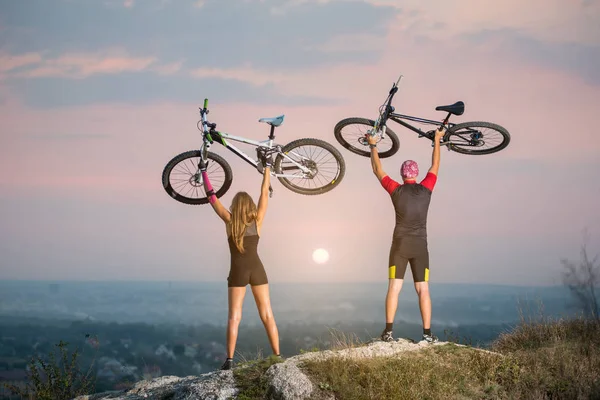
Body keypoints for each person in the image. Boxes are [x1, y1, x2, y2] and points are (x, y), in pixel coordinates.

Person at [200, 149, 280, 370]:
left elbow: (212, 198)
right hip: (258, 269)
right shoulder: (258, 220)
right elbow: (264, 191)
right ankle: (277, 355)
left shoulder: (229, 221)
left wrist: (204, 172)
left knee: (234, 317)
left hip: (237, 271)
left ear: (235, 206)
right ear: (250, 207)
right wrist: (266, 167)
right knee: (267, 314)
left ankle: (230, 360)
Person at [367, 127, 445, 343]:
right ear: (416, 174)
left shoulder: (396, 190)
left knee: (394, 287)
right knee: (423, 289)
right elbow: (435, 165)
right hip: (421, 247)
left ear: (402, 175)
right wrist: (437, 140)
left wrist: (373, 145)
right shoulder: (426, 188)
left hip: (400, 246)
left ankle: (388, 332)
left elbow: (377, 169)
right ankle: (428, 335)